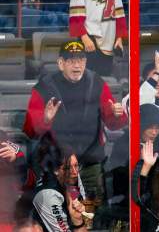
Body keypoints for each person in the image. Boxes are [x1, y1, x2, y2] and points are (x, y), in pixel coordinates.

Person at [23, 39, 128, 205]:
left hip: (90, 162)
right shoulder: (44, 87)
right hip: (56, 164)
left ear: (85, 62)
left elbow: (114, 123)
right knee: (59, 213)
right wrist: (45, 119)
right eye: (71, 61)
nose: (77, 66)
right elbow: (29, 131)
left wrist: (117, 114)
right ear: (60, 63)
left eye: (80, 60)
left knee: (93, 214)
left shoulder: (97, 82)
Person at [31, 134, 84, 232]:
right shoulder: (48, 195)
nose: (75, 172)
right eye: (69, 168)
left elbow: (86, 209)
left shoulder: (65, 178)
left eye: (76, 166)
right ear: (55, 170)